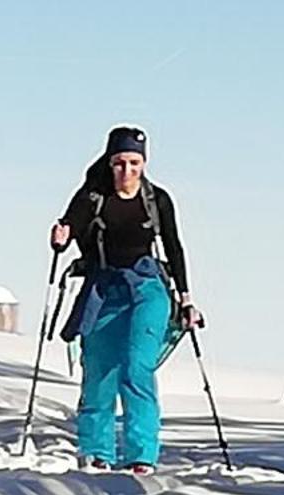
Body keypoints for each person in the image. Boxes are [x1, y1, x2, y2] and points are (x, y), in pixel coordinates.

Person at [50, 126, 201, 474]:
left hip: (148, 289)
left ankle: (141, 456)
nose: (127, 171)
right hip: (103, 291)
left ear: (144, 163)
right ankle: (96, 451)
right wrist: (61, 236)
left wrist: (186, 299)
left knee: (136, 367)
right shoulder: (92, 197)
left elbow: (175, 247)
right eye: (120, 162)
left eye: (134, 163)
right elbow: (70, 225)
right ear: (109, 161)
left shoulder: (157, 199)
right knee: (100, 370)